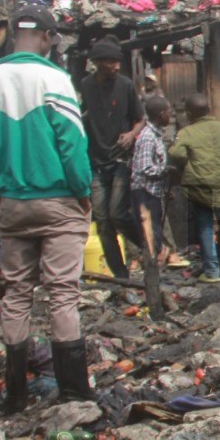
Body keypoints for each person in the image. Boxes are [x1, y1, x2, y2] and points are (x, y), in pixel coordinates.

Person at [0, 4, 94, 412]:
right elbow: (72, 144)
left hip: (11, 206)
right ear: (45, 37)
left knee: (16, 295)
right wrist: (82, 189)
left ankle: (16, 394)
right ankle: (73, 392)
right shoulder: (55, 79)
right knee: (63, 295)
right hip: (58, 202)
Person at [78, 34, 144, 279]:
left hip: (120, 160)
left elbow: (141, 118)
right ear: (96, 62)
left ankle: (150, 247)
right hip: (95, 162)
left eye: (118, 62)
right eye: (110, 62)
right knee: (103, 221)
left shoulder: (125, 85)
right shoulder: (85, 85)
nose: (116, 66)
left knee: (118, 214)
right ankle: (120, 275)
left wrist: (131, 134)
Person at [168, 94, 220, 284]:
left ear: (189, 113)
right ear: (209, 110)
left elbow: (175, 153)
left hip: (199, 188)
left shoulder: (187, 132)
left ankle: (212, 272)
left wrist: (188, 163)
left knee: (205, 228)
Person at [131, 96, 173, 266]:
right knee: (150, 233)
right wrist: (165, 170)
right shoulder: (148, 137)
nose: (170, 116)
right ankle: (152, 271)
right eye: (169, 112)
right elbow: (145, 167)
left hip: (152, 191)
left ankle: (154, 266)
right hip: (144, 191)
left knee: (154, 230)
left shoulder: (155, 135)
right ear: (161, 114)